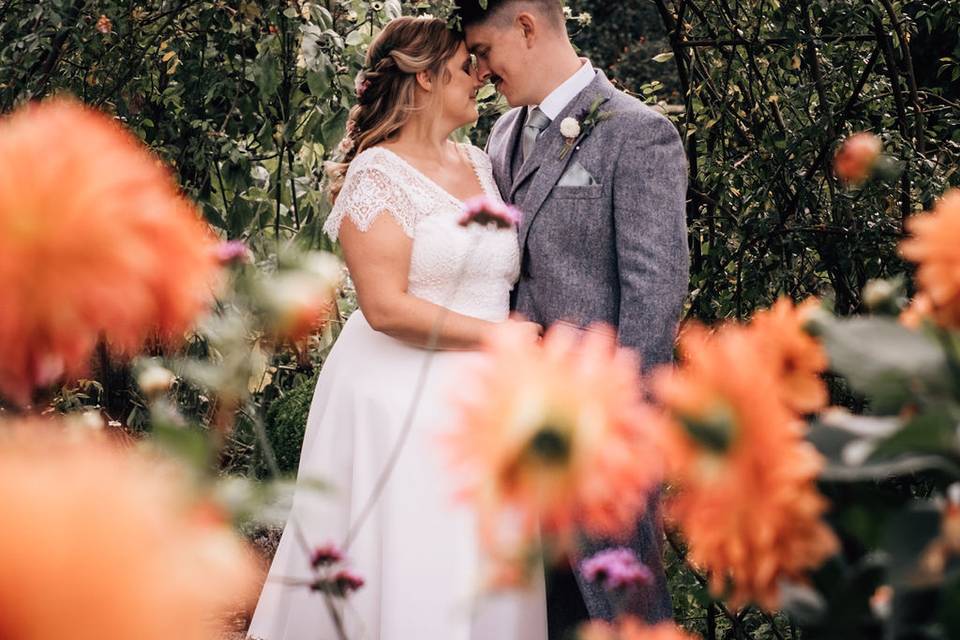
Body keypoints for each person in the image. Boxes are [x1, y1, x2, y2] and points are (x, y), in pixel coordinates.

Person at [246, 16, 547, 640]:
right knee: (417, 562)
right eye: (469, 65)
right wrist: (500, 336)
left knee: (484, 561)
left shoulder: (482, 162)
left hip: (491, 400)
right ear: (426, 75)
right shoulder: (376, 174)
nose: (483, 75)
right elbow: (384, 307)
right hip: (402, 401)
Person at [456, 0, 689, 635]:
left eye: (483, 51)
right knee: (535, 611)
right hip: (516, 430)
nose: (480, 70)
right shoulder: (501, 137)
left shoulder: (637, 133)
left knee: (616, 611)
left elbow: (655, 291)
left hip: (597, 434)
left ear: (526, 27)